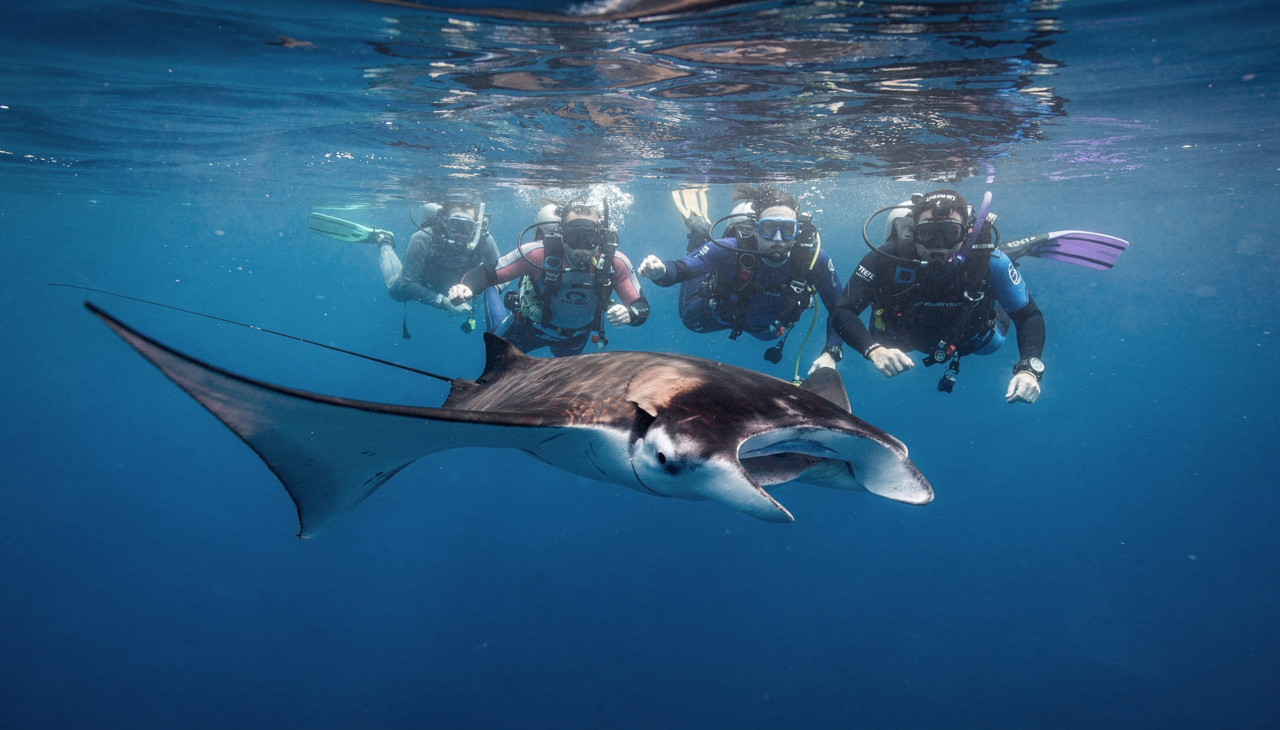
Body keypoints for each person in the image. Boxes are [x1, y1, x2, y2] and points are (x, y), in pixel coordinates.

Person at [829, 189, 1046, 404]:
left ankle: (1006, 272)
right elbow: (843, 311)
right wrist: (874, 351)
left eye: (951, 233)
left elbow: (1028, 315)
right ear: (914, 232)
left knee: (994, 330)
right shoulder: (886, 258)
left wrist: (1028, 369)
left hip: (973, 340)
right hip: (898, 338)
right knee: (878, 337)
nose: (938, 245)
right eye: (928, 233)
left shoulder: (991, 261)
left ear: (967, 232)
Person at [636, 184, 846, 373]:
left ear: (798, 231)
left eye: (788, 230)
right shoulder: (730, 248)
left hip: (769, 331)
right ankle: (699, 235)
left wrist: (831, 353)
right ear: (755, 230)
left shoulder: (814, 259)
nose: (778, 239)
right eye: (769, 228)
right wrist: (660, 271)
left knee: (769, 337)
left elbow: (840, 309)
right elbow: (682, 270)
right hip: (717, 314)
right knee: (689, 318)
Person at [446, 200, 650, 357]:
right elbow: (488, 273)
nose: (581, 246)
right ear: (561, 235)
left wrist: (630, 315)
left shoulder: (616, 263)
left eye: (590, 237)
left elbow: (640, 307)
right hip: (528, 328)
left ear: (602, 237)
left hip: (575, 338)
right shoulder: (537, 254)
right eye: (573, 236)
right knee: (495, 358)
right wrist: (467, 287)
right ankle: (493, 293)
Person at [376, 196, 505, 332]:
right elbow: (407, 283)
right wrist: (444, 302)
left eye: (468, 226)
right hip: (426, 280)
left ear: (476, 226)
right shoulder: (423, 238)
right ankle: (384, 240)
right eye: (455, 224)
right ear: (444, 222)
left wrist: (485, 289)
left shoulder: (484, 240)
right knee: (395, 292)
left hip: (463, 283)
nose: (461, 233)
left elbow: (502, 271)